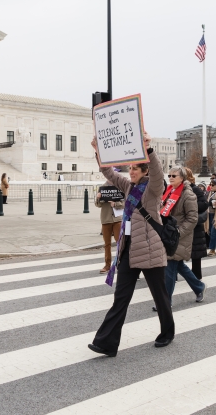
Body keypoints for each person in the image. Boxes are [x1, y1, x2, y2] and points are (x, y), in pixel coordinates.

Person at [88, 133, 175, 357]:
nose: (131, 171)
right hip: (129, 250)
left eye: (136, 168)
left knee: (160, 296)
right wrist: (98, 152)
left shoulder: (153, 189)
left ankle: (167, 332)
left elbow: (158, 173)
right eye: (130, 168)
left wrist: (149, 150)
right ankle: (106, 343)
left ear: (145, 171)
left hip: (150, 250)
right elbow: (109, 173)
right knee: (121, 298)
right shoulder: (128, 187)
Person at [153, 166, 204, 312]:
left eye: (173, 176)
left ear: (182, 178)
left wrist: (178, 233)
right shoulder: (169, 191)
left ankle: (165, 302)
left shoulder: (188, 194)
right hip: (168, 234)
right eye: (169, 175)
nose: (170, 178)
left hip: (179, 236)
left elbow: (192, 218)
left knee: (169, 268)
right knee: (179, 265)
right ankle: (199, 287)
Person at [94, 180, 123, 273]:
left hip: (117, 219)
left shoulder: (120, 186)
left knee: (120, 242)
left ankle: (121, 263)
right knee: (107, 244)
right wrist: (98, 198)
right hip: (106, 219)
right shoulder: (103, 188)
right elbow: (98, 204)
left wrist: (115, 204)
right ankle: (107, 265)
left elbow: (125, 202)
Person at [186, 168, 209, 281]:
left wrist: (189, 208)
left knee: (195, 252)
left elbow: (204, 204)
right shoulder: (176, 189)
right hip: (183, 224)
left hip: (195, 225)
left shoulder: (195, 189)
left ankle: (196, 275)